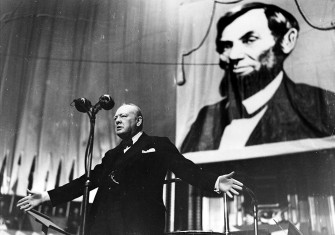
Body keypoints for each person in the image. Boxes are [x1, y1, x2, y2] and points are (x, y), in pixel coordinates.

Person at [17, 103, 243, 235]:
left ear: (138, 121)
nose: (117, 120)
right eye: (115, 117)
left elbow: (185, 169)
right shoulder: (112, 155)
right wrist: (46, 196)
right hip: (104, 226)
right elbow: (86, 181)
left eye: (123, 116)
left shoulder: (157, 144)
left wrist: (214, 182)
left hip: (138, 226)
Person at [181, 2, 335, 153]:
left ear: (287, 40)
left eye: (249, 40)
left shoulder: (318, 106)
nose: (234, 55)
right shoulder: (206, 119)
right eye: (226, 46)